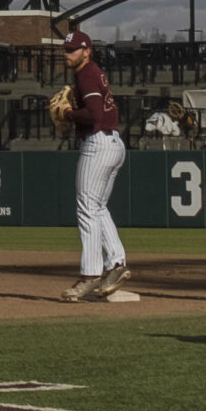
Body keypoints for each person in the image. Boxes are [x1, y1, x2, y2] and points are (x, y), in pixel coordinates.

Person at [59, 30, 129, 302]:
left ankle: (89, 275)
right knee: (97, 207)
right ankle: (116, 264)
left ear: (86, 50)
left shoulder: (86, 73)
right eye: (66, 50)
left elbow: (94, 114)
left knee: (87, 207)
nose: (67, 54)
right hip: (113, 144)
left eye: (72, 50)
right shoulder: (93, 71)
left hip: (98, 143)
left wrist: (68, 113)